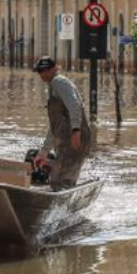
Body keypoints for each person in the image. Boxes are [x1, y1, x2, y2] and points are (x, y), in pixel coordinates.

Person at [32, 56, 92, 189]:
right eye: (40, 71)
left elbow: (75, 106)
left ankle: (63, 207)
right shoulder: (53, 87)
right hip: (65, 142)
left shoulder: (59, 82)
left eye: (45, 70)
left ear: (54, 69)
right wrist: (44, 151)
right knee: (57, 179)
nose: (42, 74)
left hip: (75, 139)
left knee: (62, 181)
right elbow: (55, 127)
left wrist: (76, 131)